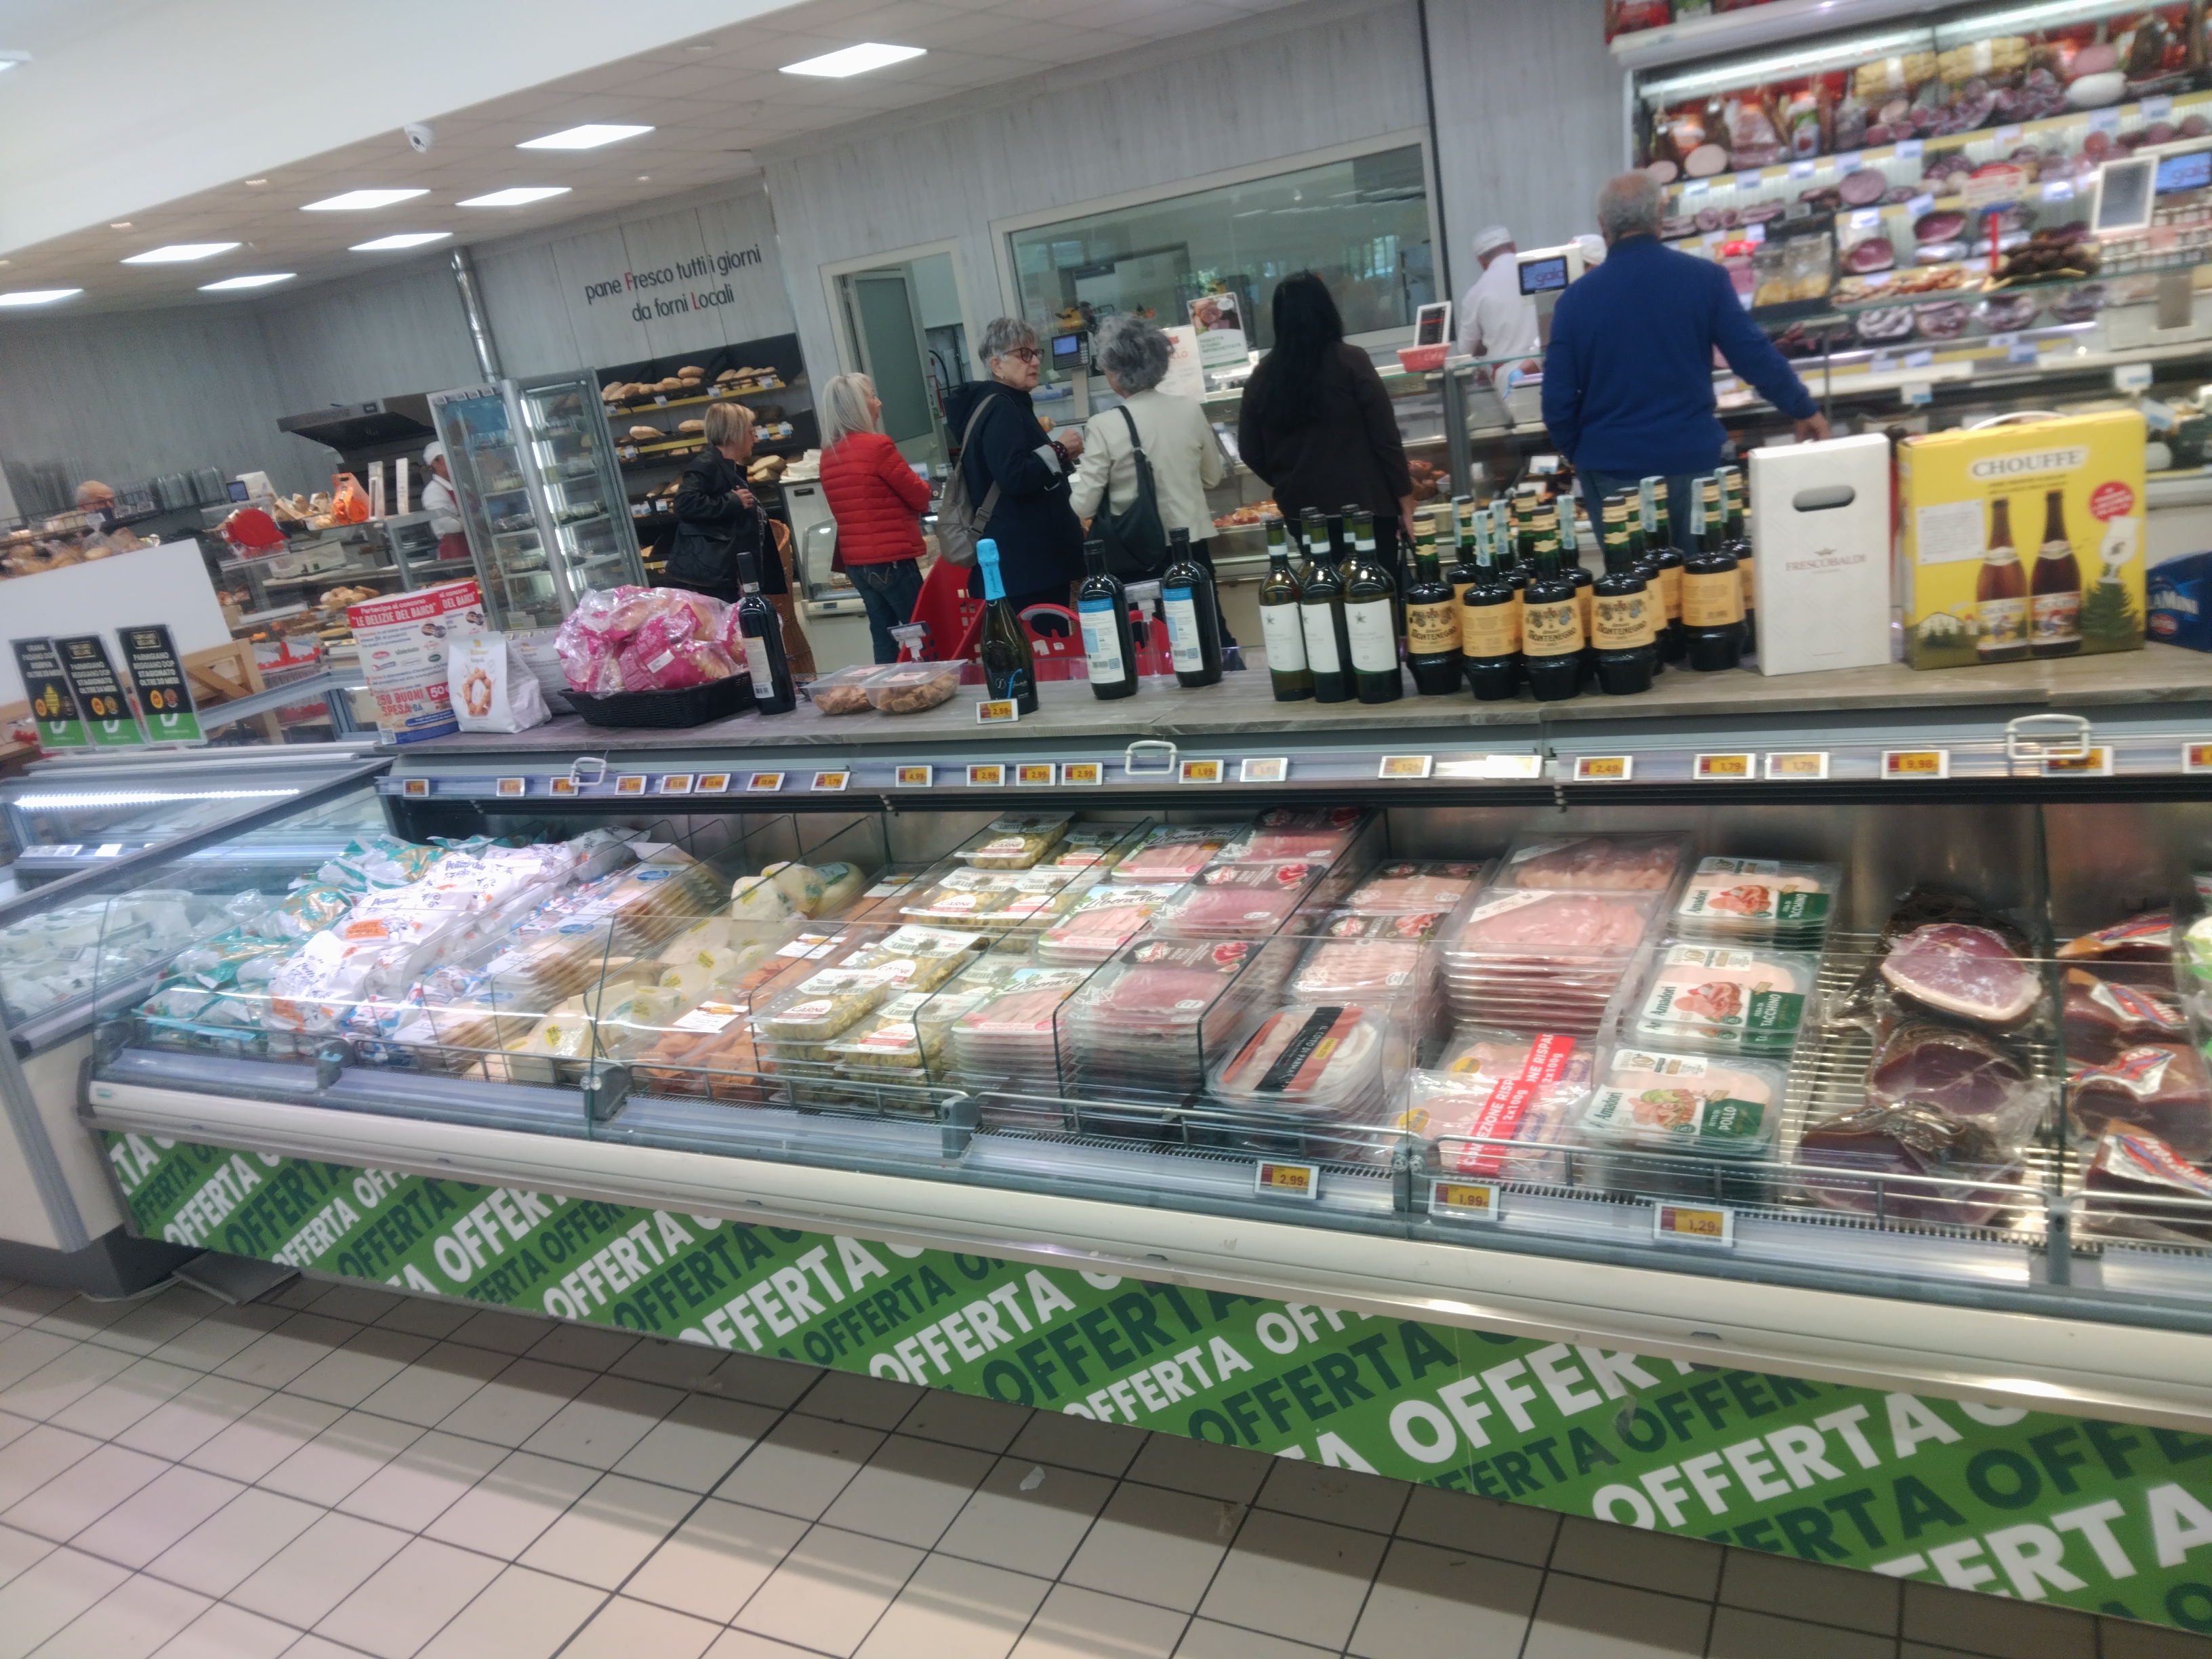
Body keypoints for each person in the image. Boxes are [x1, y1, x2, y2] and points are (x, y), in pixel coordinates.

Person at [1544, 173, 1830, 544]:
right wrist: (1802, 408)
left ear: (1602, 226)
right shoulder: (1704, 279)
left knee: (1634, 578)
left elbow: (1556, 401)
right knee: (1705, 576)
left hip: (1613, 472)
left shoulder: (1573, 302)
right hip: (1693, 464)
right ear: (1660, 215)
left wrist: (1583, 453)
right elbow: (1752, 354)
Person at [1071, 312, 1237, 644]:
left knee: (1148, 648)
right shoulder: (1189, 409)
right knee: (1207, 638)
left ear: (1114, 371)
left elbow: (1083, 506)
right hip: (1191, 548)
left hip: (1135, 555)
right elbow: (1212, 477)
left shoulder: (1104, 425)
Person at [1236, 273, 1414, 574]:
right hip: (1366, 507)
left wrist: (1289, 479)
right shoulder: (1351, 361)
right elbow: (1386, 439)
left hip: (1303, 512)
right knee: (1374, 589)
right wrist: (1406, 502)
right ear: (1328, 311)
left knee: (1323, 590)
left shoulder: (1262, 377)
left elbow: (1250, 451)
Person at [939, 318, 1086, 614]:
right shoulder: (1002, 406)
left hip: (1020, 561)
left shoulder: (1001, 403)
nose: (1035, 362)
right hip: (1026, 563)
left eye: (1036, 353)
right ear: (997, 365)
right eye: (1023, 354)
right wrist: (1059, 449)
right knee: (1042, 638)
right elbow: (1013, 474)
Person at [818, 371, 931, 663]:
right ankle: (934, 685)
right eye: (871, 396)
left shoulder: (829, 455)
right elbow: (920, 496)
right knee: (921, 633)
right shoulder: (878, 446)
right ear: (857, 405)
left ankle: (889, 687)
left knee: (883, 635)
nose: (879, 403)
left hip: (857, 564)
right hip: (891, 560)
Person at [1455, 225, 1540, 365]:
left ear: (1481, 261)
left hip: (1507, 372)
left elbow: (1465, 351)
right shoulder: (1542, 274)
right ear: (1514, 246)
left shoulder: (1475, 294)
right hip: (1549, 366)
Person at [420, 443, 467, 560]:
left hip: (474, 548)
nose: (454, 460)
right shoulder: (433, 491)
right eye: (448, 457)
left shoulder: (463, 486)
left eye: (454, 456)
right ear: (435, 464)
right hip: (456, 554)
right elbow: (449, 526)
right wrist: (477, 518)